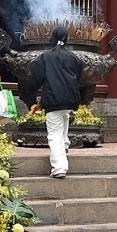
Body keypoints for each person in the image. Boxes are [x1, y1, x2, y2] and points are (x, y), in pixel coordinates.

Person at [31, 26, 83, 179]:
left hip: (53, 99)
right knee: (64, 119)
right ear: (67, 39)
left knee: (54, 134)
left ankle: (59, 167)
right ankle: (65, 145)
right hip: (71, 99)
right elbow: (78, 76)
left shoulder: (45, 57)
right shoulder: (74, 57)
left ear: (52, 37)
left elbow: (36, 76)